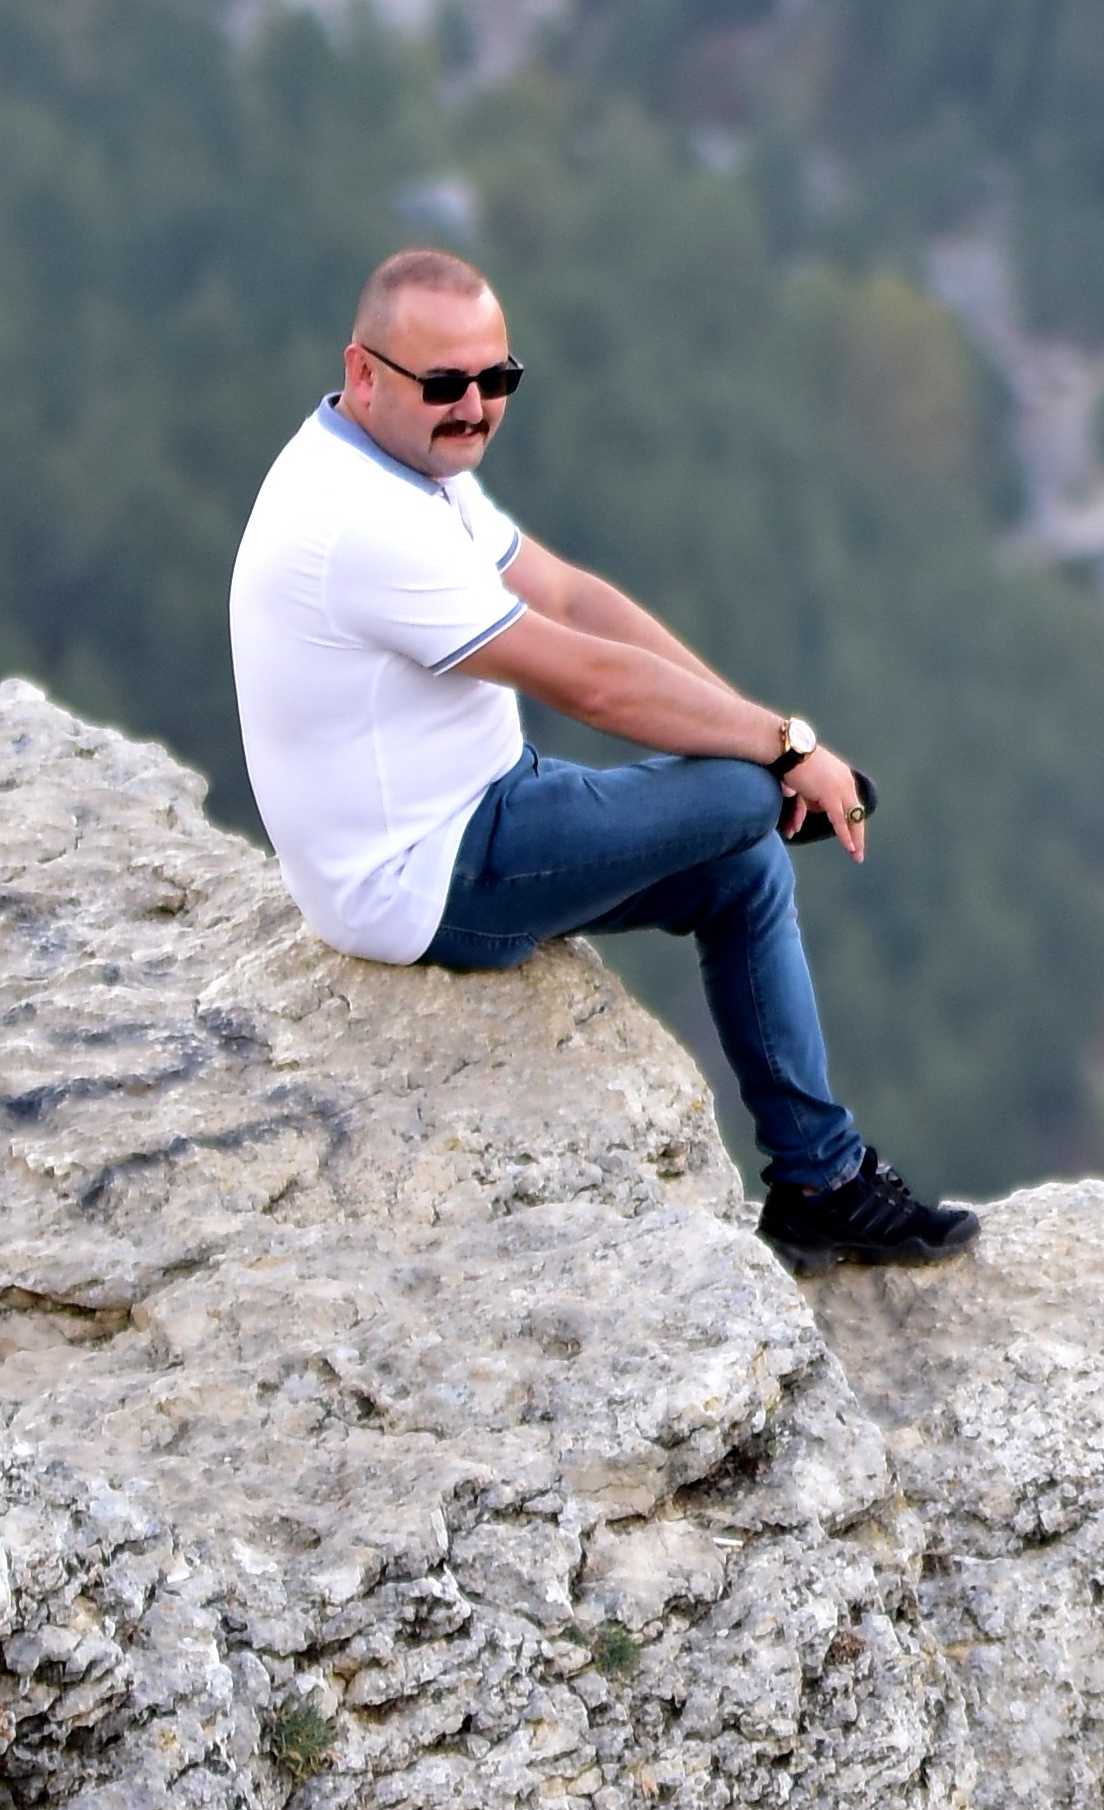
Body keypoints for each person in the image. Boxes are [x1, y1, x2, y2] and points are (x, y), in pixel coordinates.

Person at [226, 247, 977, 1268]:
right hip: (419, 878)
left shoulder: (402, 462)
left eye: (498, 380)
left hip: (480, 802)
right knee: (740, 795)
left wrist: (755, 724)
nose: (475, 407)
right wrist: (786, 748)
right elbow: (589, 680)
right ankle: (822, 1175)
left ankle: (820, 1181)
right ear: (364, 372)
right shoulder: (363, 524)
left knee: (742, 861)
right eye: (444, 384)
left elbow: (574, 599)